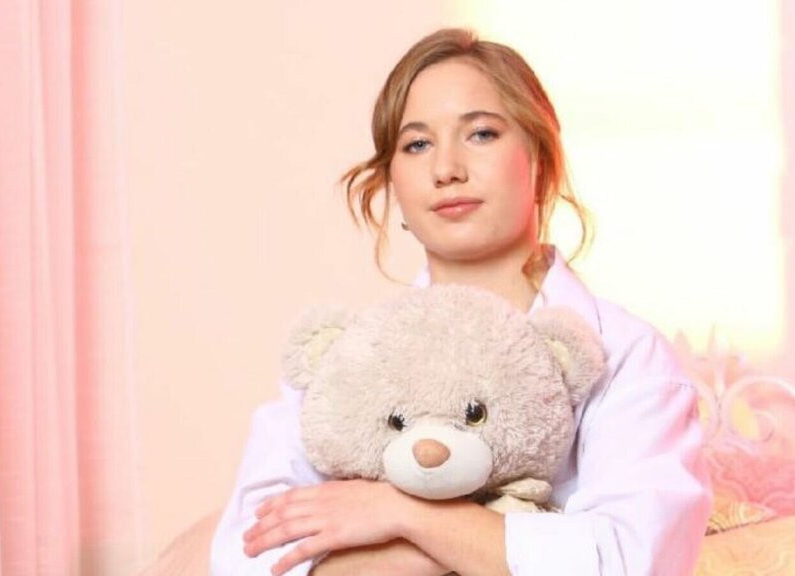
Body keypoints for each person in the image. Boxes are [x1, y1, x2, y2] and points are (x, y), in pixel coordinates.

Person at [210, 28, 712, 575]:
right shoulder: (351, 363)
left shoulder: (627, 357)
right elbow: (247, 556)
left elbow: (629, 562)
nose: (446, 169)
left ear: (540, 159)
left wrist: (402, 514)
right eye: (417, 144)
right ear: (391, 180)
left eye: (481, 134)